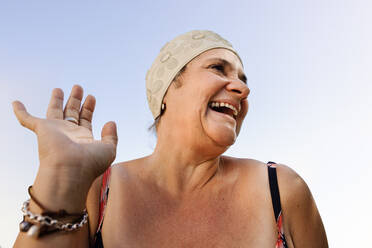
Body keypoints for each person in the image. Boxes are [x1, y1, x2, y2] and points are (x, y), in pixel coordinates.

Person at [13, 30, 328, 248]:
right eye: (218, 68)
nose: (242, 89)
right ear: (167, 92)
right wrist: (60, 180)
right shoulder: (98, 190)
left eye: (243, 80)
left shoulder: (282, 190)